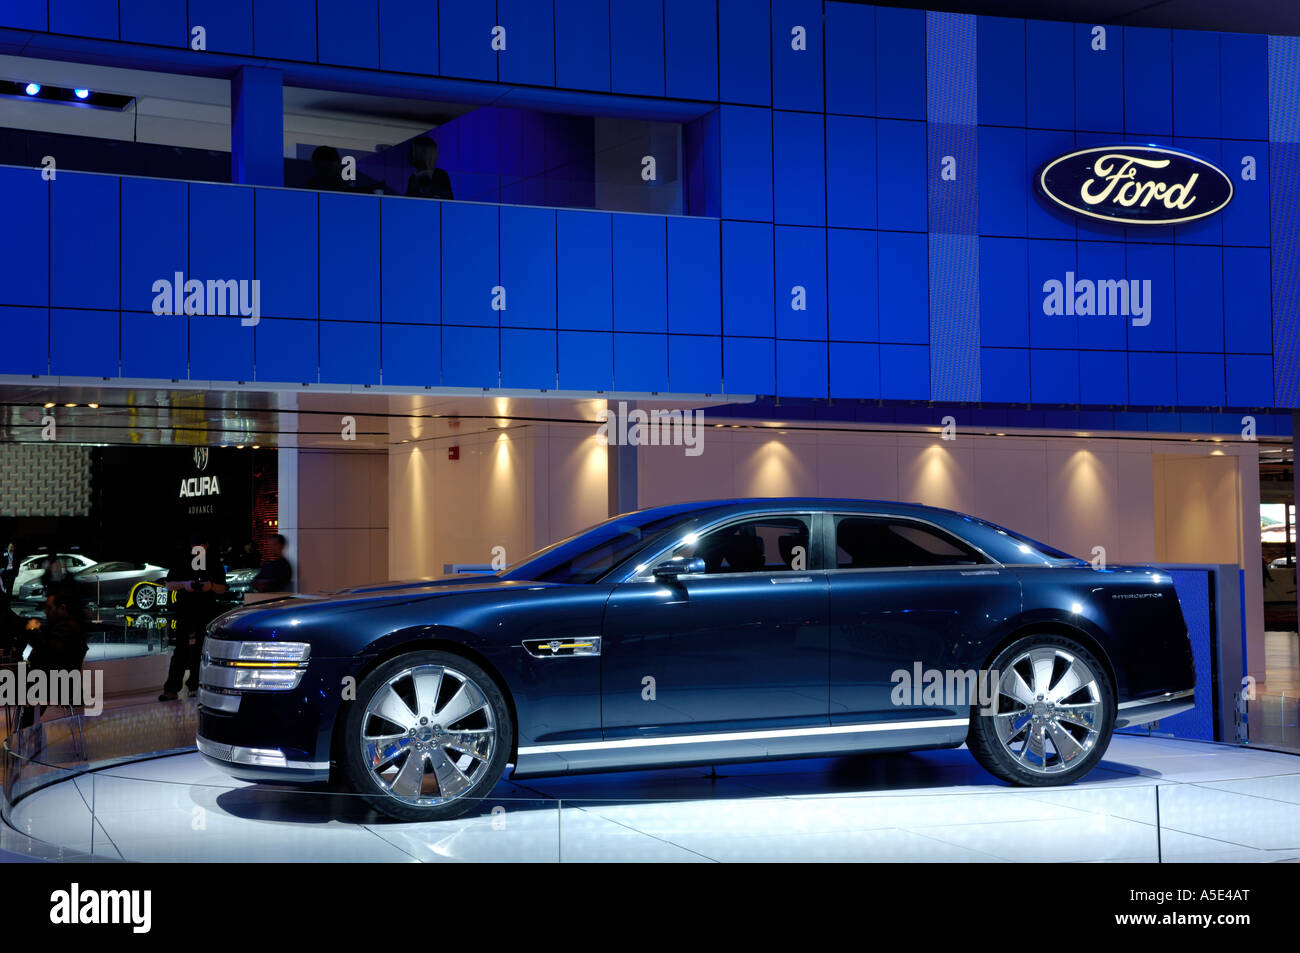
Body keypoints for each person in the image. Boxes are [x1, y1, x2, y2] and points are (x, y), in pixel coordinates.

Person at [159, 537, 227, 701]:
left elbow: (222, 588)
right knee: (182, 649)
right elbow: (168, 584)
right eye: (196, 545)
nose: (199, 549)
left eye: (201, 545)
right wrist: (185, 584)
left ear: (206, 546)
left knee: (199, 650)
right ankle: (173, 688)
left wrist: (210, 586)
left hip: (205, 610)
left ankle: (193, 685)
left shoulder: (213, 562)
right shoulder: (182, 560)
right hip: (186, 610)